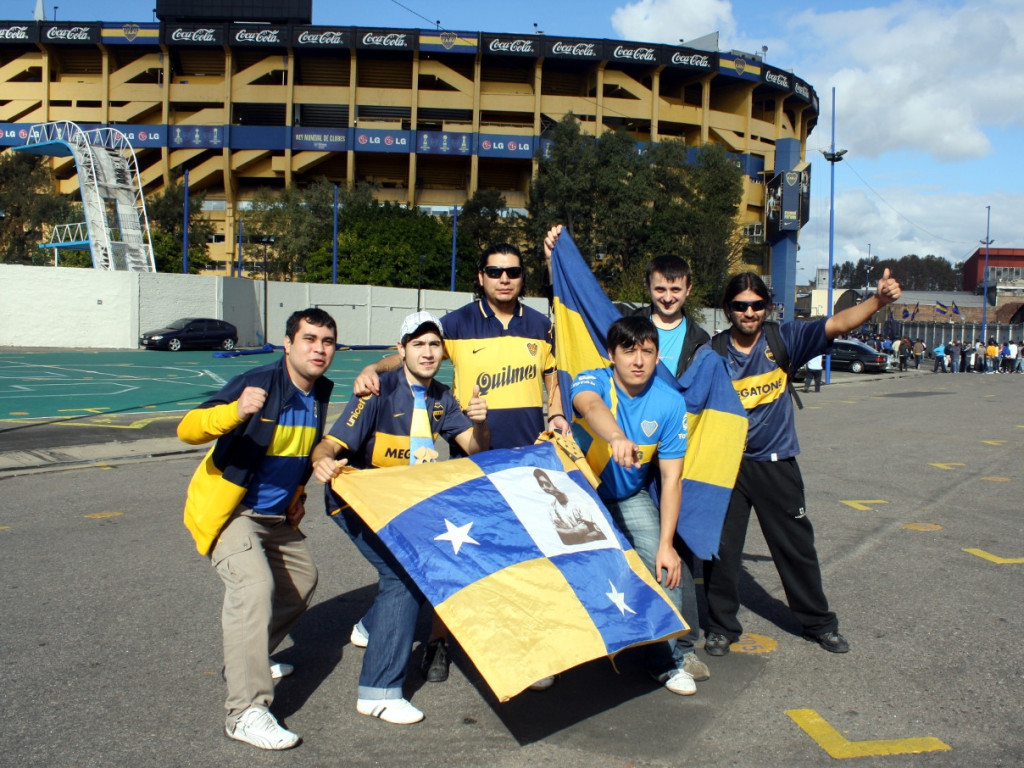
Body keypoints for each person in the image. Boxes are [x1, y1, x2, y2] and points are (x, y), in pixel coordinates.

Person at [352, 245, 568, 682]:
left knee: (526, 557)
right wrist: (374, 367)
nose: (504, 278)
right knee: (458, 559)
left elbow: (553, 375)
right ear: (481, 276)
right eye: (495, 271)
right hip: (471, 460)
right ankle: (438, 642)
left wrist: (558, 411)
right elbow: (413, 352)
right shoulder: (457, 324)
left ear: (522, 277)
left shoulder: (541, 325)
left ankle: (529, 649)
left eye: (512, 271)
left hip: (527, 461)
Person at [702, 269, 901, 657]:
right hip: (726, 466)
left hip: (776, 463)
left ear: (766, 307)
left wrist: (879, 301)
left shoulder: (784, 338)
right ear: (728, 309)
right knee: (722, 553)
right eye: (741, 306)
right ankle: (721, 627)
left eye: (757, 305)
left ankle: (819, 624)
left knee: (796, 549)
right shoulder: (712, 353)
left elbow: (838, 322)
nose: (749, 312)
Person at [311, 312, 489, 725]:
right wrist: (321, 463)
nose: (427, 352)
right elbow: (330, 444)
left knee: (422, 566)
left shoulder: (442, 398)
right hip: (357, 501)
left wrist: (482, 423)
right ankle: (379, 690)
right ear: (401, 350)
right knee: (403, 578)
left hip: (405, 507)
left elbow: (476, 447)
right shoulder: (376, 391)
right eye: (418, 344)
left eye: (434, 345)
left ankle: (372, 628)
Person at [177, 308, 337, 750]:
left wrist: (297, 496)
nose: (318, 349)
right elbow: (187, 428)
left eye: (327, 341)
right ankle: (245, 711)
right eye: (309, 339)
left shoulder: (319, 391)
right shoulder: (261, 382)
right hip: (235, 513)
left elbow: (296, 453)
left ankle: (246, 658)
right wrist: (233, 411)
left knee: (302, 582)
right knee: (253, 587)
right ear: (288, 344)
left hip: (276, 518)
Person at [571, 316, 698, 695]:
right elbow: (590, 406)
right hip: (576, 496)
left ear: (658, 357)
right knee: (560, 571)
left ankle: (668, 662)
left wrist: (666, 544)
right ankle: (556, 661)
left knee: (667, 570)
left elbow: (672, 479)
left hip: (628, 496)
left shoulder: (671, 403)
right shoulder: (593, 379)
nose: (638, 360)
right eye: (628, 350)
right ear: (611, 355)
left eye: (647, 350)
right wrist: (616, 437)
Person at [629, 253, 710, 376]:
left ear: (688, 289)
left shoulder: (700, 340)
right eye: (660, 289)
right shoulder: (626, 326)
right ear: (648, 287)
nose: (667, 298)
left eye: (675, 290)